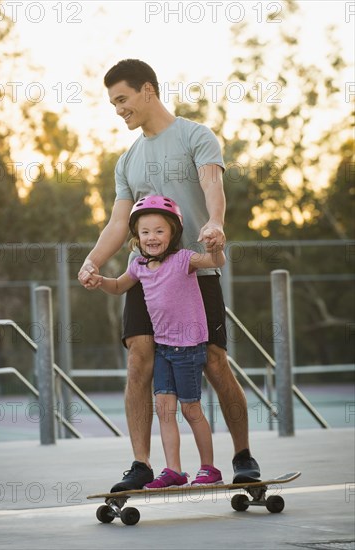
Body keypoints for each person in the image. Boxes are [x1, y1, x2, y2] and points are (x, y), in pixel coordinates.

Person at [78, 59, 261, 491]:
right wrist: (91, 261)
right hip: (147, 277)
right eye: (112, 103)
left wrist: (215, 223)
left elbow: (212, 185)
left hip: (195, 272)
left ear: (147, 90)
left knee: (215, 363)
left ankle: (242, 456)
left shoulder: (195, 136)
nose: (118, 109)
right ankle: (142, 463)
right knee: (139, 359)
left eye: (122, 99)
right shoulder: (127, 160)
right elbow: (119, 223)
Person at [86, 196, 225, 488]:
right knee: (163, 408)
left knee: (190, 410)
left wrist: (216, 248)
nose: (152, 237)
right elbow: (118, 286)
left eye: (159, 231)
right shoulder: (137, 266)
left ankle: (209, 468)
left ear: (173, 233)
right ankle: (173, 470)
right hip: (163, 348)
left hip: (189, 349)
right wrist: (99, 281)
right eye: (145, 232)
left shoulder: (184, 260)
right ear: (137, 236)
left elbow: (213, 261)